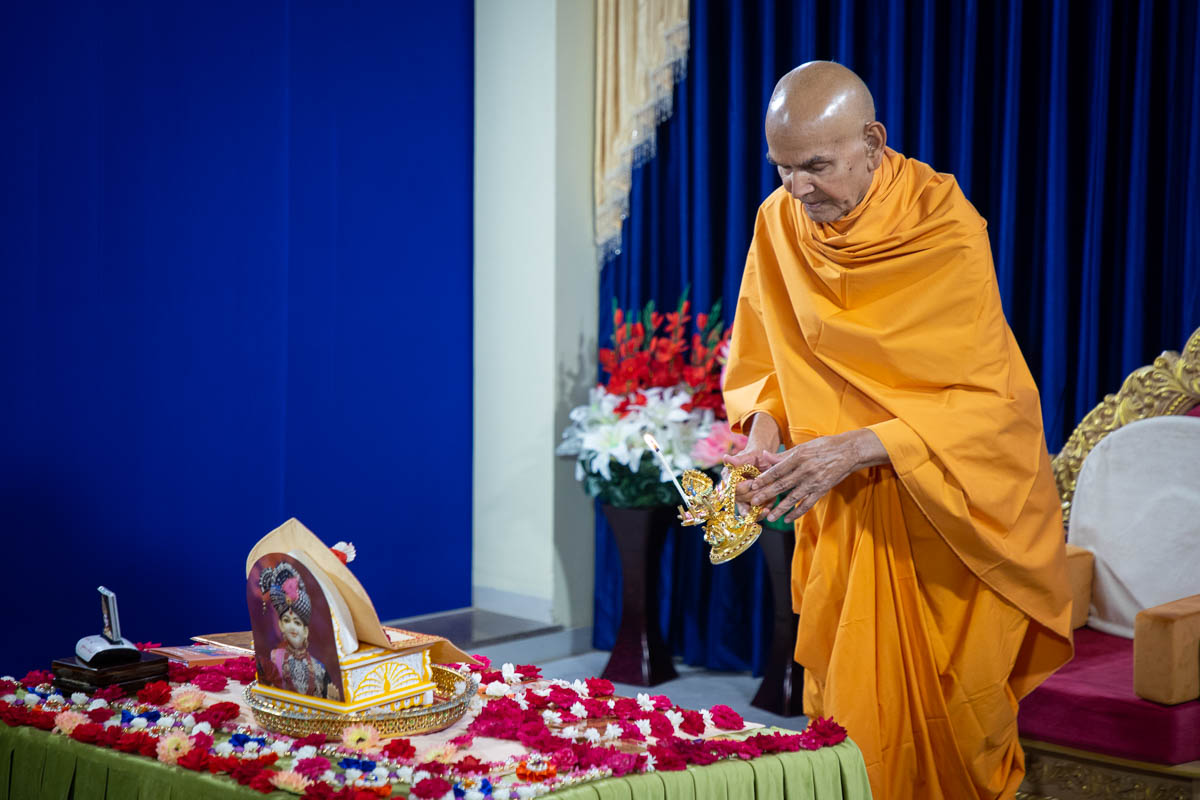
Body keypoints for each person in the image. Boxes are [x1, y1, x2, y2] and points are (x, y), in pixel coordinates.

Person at [722, 61, 1072, 800]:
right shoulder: (777, 223)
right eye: (782, 168)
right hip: (850, 519)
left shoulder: (942, 225)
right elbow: (765, 361)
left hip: (954, 514)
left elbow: (988, 401)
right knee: (854, 731)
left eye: (817, 166)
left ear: (873, 142)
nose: (798, 189)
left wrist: (855, 448)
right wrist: (761, 439)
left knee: (961, 733)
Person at [257, 562, 342, 701]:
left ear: (306, 631)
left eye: (297, 623)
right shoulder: (273, 659)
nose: (292, 627)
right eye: (287, 620)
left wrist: (332, 698)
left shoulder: (319, 668)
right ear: (281, 625)